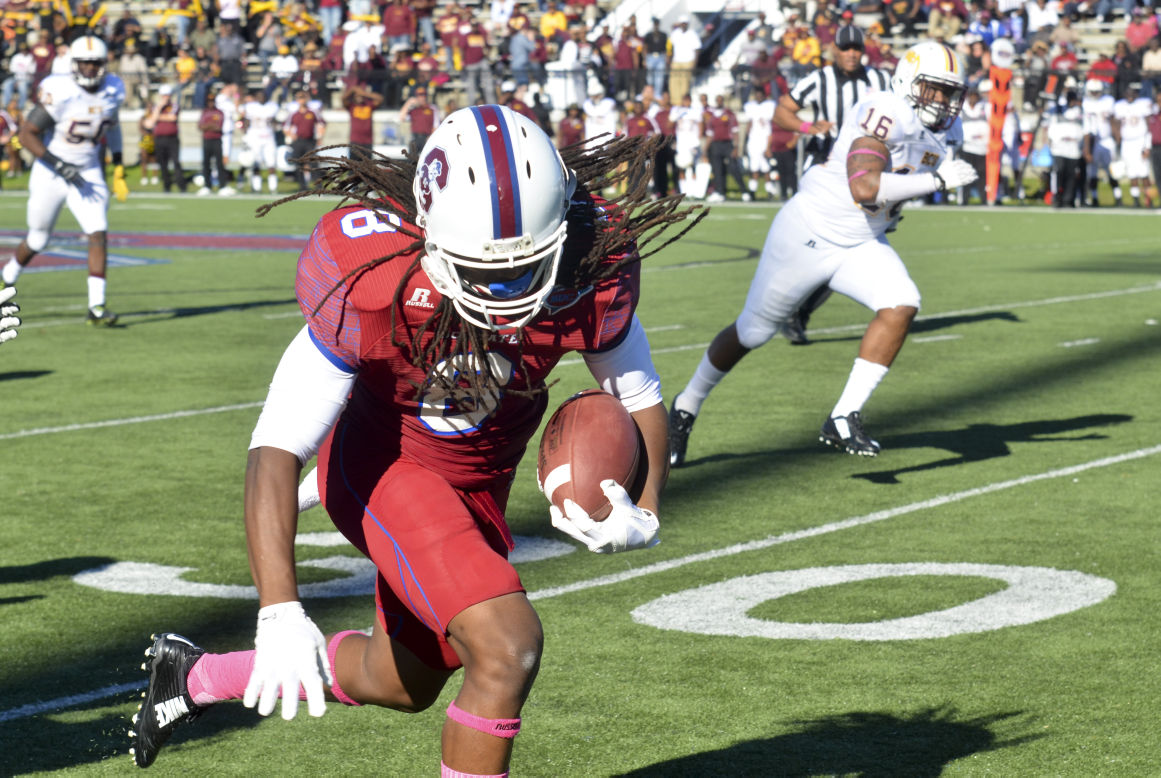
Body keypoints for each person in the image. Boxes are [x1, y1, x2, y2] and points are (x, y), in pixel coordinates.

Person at [129, 104, 703, 773]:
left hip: (480, 481)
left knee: (401, 683)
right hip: (385, 467)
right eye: (483, 270)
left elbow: (636, 396)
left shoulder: (591, 258)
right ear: (428, 234)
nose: (503, 290)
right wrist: (280, 609)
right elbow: (276, 444)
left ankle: (194, 676)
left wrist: (650, 507)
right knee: (506, 646)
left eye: (523, 268)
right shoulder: (373, 272)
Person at [667, 41, 977, 466]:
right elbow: (864, 187)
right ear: (908, 83)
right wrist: (934, 181)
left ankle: (844, 415)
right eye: (933, 89)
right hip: (810, 232)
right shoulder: (885, 112)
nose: (941, 101)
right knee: (752, 333)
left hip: (862, 239)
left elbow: (888, 191)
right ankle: (685, 406)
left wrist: (902, 202)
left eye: (948, 92)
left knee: (902, 303)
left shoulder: (947, 132)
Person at [773, 24, 891, 345]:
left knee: (841, 251)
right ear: (835, 50)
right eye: (846, 48)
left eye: (857, 48)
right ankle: (794, 309)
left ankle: (797, 311)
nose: (852, 53)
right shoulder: (819, 79)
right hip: (825, 176)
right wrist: (809, 125)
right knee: (827, 249)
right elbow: (782, 112)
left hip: (864, 178)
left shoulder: (880, 81)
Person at [1, 36, 127, 326]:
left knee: (98, 231)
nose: (91, 69)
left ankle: (97, 306)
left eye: (96, 63)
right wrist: (60, 164)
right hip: (51, 169)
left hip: (88, 169)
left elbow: (114, 126)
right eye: (85, 63)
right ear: (74, 64)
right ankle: (7, 276)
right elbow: (27, 134)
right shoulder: (60, 90)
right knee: (38, 238)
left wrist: (118, 164)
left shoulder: (113, 90)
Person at [1112, 81, 1153, 208]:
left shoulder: (1143, 104)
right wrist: (1117, 138)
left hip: (1140, 140)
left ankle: (1148, 199)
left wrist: (1147, 145)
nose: (1130, 95)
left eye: (1133, 92)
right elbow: (1116, 122)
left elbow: (1149, 124)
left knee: (1144, 172)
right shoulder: (1119, 105)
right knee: (1131, 172)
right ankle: (1135, 199)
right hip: (1127, 142)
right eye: (1128, 92)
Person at [1082, 78, 1120, 206]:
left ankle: (1118, 195)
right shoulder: (1085, 103)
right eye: (1092, 91)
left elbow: (1113, 119)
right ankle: (1094, 197)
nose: (1094, 94)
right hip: (1093, 142)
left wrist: (1117, 135)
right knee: (1092, 171)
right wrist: (1087, 149)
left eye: (1096, 91)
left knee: (1111, 170)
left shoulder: (1108, 101)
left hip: (1107, 139)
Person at [145, 84, 187, 193]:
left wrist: (158, 117)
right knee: (163, 163)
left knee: (176, 162)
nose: (166, 98)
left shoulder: (174, 106)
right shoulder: (156, 107)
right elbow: (149, 122)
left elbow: (172, 117)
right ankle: (166, 185)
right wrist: (159, 108)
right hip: (159, 139)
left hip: (172, 139)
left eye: (167, 95)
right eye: (164, 95)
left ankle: (181, 185)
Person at [1048, 89, 1085, 207]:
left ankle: (1068, 199)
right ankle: (1056, 195)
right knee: (1059, 170)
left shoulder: (1079, 112)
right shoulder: (1057, 111)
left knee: (1071, 174)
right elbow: (1051, 127)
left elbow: (1084, 130)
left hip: (1073, 148)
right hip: (1059, 147)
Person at [197, 84, 229, 196]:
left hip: (216, 140)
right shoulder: (204, 112)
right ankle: (207, 186)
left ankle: (222, 186)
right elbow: (200, 127)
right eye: (209, 100)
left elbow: (218, 127)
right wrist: (210, 125)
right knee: (206, 164)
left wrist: (208, 125)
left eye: (212, 100)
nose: (210, 102)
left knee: (219, 164)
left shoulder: (219, 113)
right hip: (206, 140)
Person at [343, 79, 383, 161]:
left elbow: (380, 99)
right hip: (355, 141)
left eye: (360, 95)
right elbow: (343, 99)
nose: (359, 97)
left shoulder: (369, 105)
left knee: (367, 168)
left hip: (367, 142)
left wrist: (364, 93)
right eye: (357, 95)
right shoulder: (352, 106)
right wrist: (353, 89)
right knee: (354, 167)